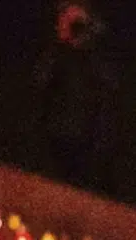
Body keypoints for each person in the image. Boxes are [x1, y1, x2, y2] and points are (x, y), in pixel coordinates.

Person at [34, 0, 118, 190]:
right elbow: (40, 83)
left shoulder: (96, 63)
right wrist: (61, 43)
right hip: (54, 139)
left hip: (87, 144)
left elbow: (107, 97)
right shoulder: (55, 55)